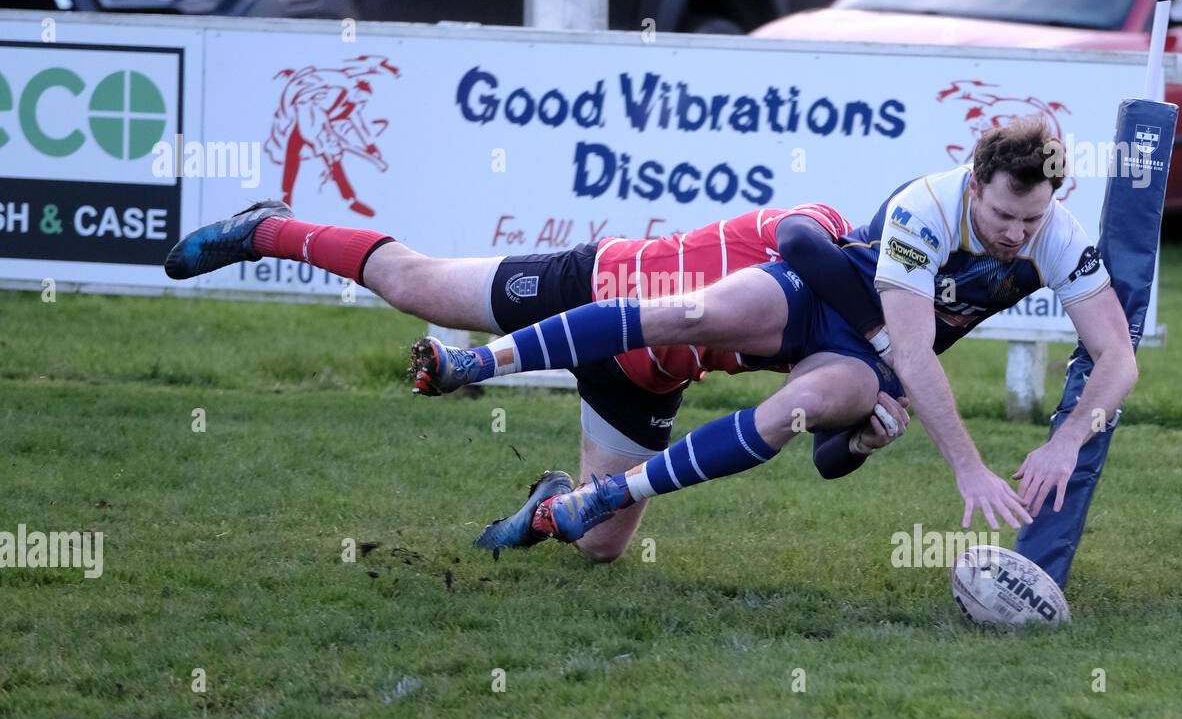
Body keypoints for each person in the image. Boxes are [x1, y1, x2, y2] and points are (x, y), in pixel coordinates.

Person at [416, 118, 1138, 551]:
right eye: (1004, 216)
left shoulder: (1057, 237)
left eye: (1032, 221)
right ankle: (473, 360)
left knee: (791, 415)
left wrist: (1067, 439)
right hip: (823, 303)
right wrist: (968, 467)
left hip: (862, 359)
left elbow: (1117, 359)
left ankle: (600, 497)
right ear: (975, 184)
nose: (1016, 235)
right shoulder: (929, 207)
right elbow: (912, 350)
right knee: (690, 313)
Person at [164, 198, 910, 563]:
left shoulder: (862, 354)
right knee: (411, 283)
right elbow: (805, 244)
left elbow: (822, 450)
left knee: (602, 551)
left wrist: (867, 433)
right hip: (589, 286)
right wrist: (880, 342)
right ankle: (266, 229)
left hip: (647, 382)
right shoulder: (825, 228)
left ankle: (553, 492)